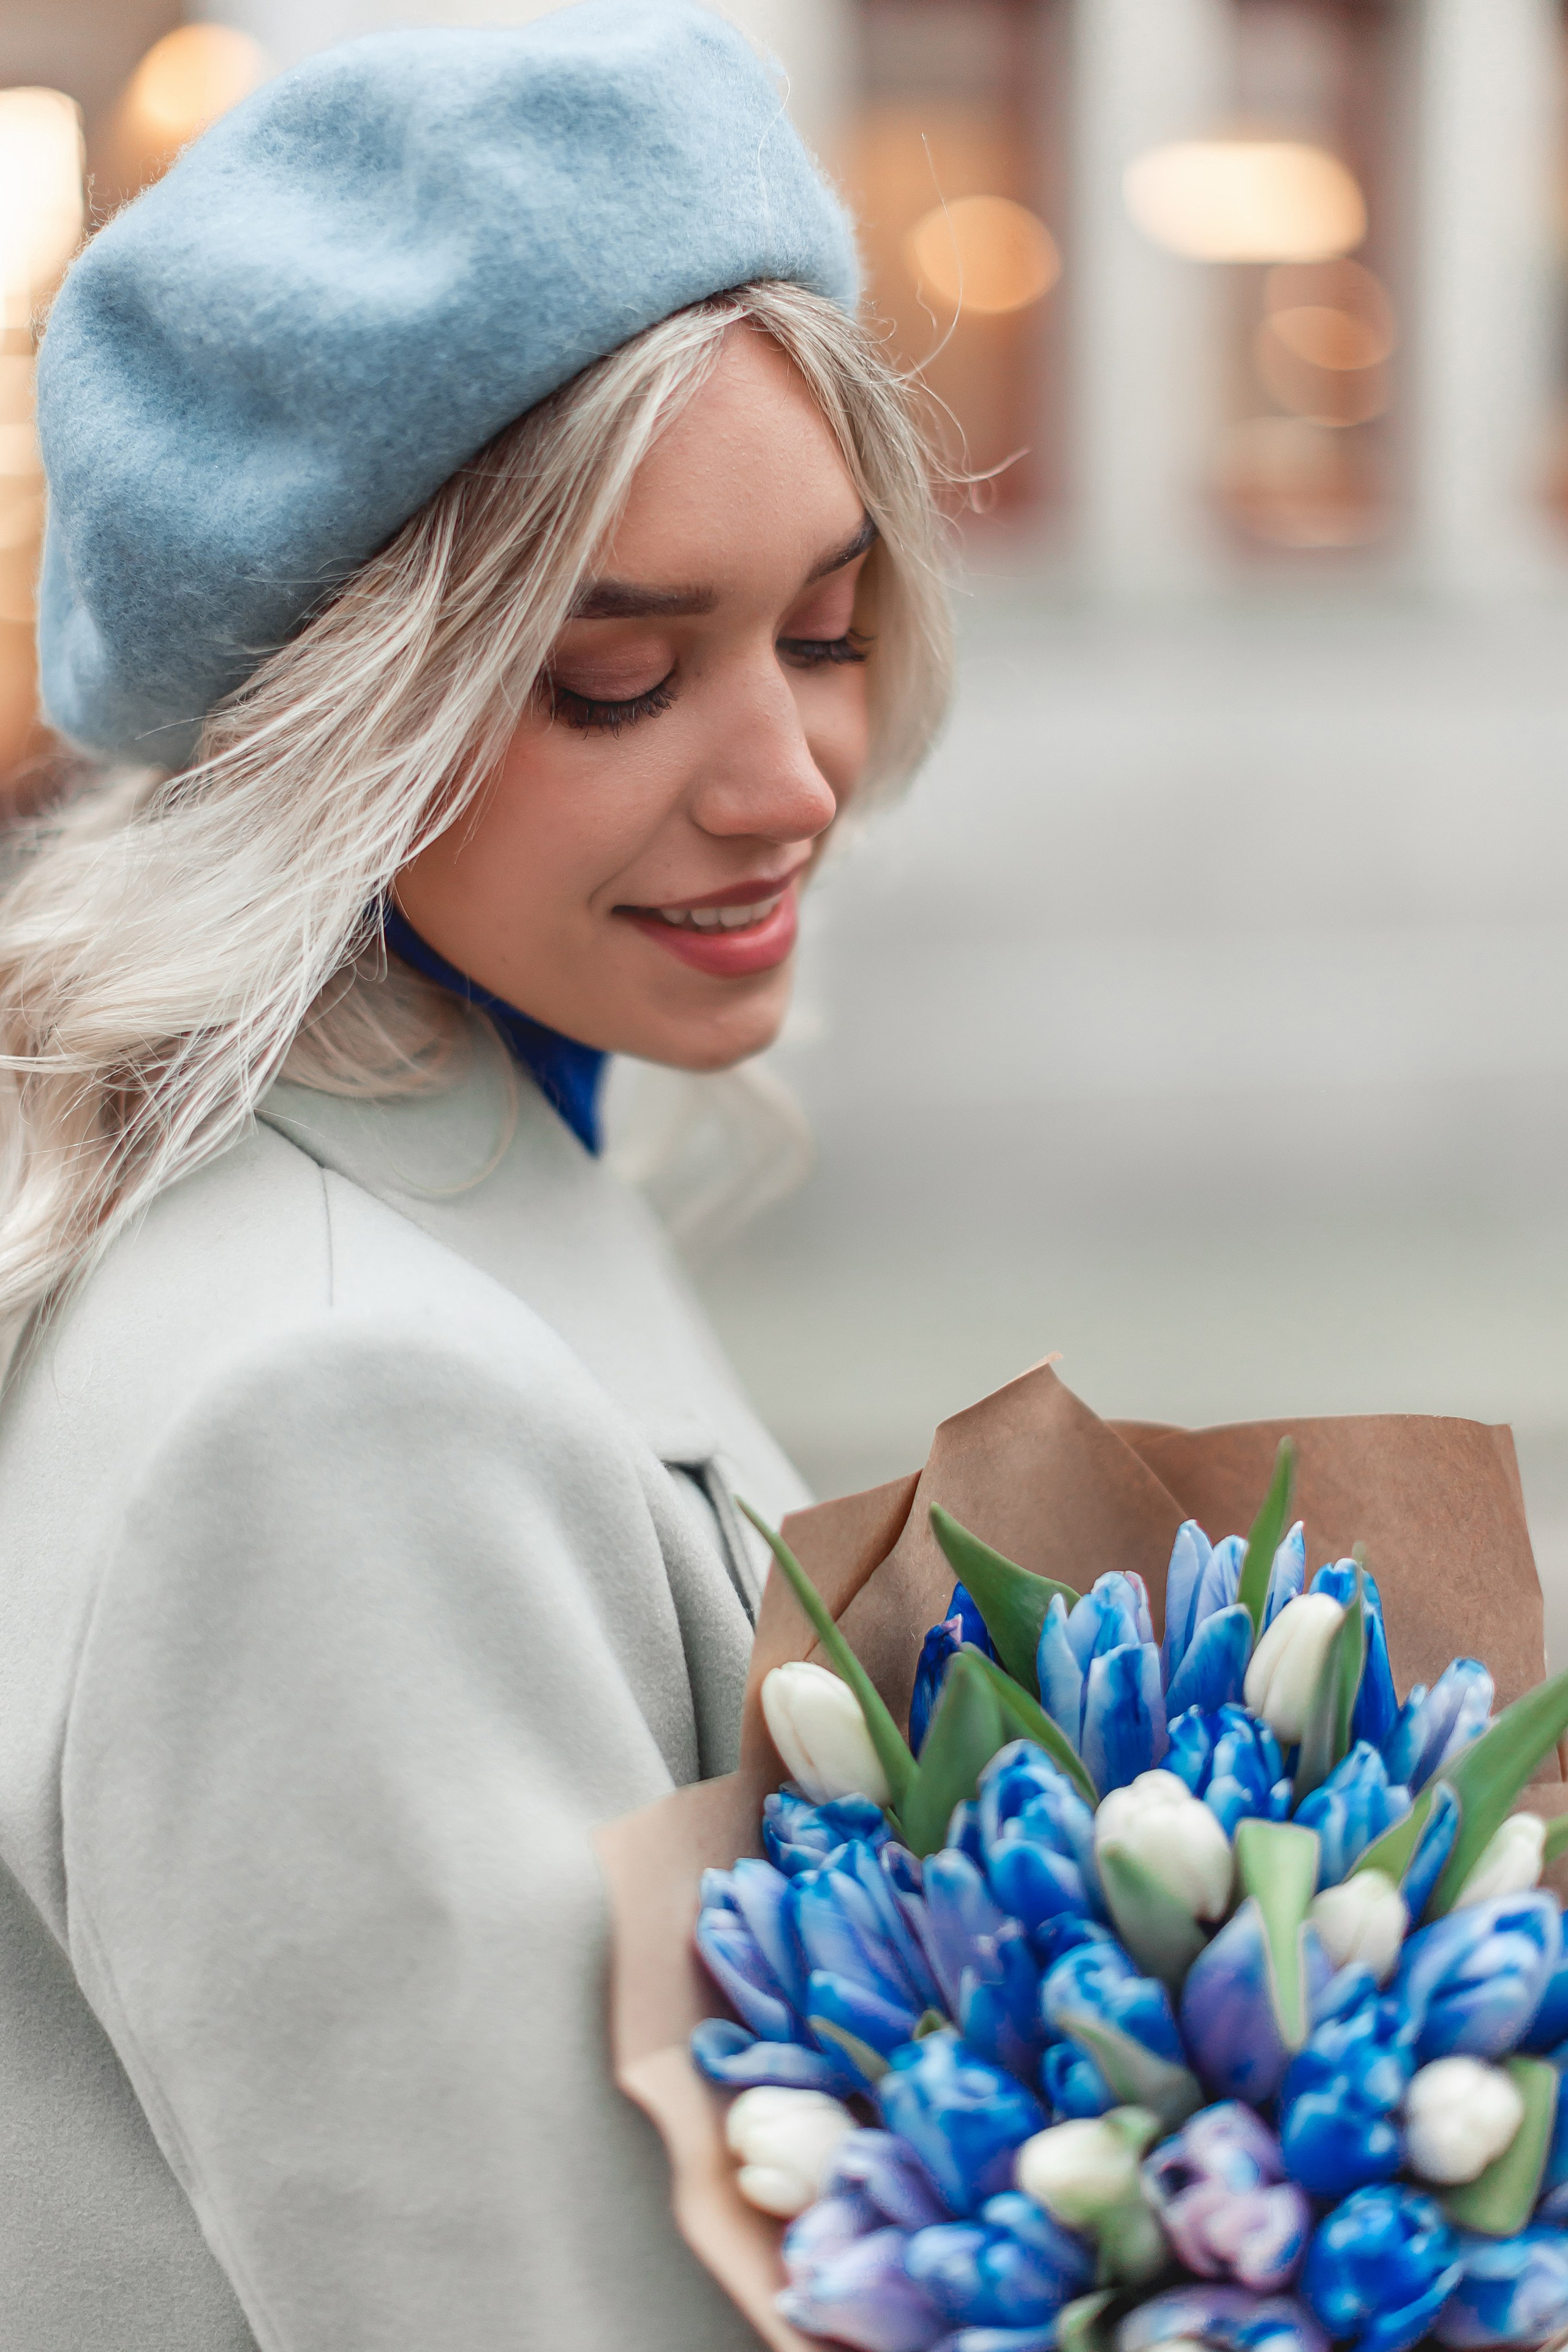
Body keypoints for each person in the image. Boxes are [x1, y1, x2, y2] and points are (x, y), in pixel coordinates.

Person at [0, 5, 951, 2348]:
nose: (792, 777)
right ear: (333, 710)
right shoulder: (328, 1415)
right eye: (621, 679)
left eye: (824, 630)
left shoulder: (420, 1151)